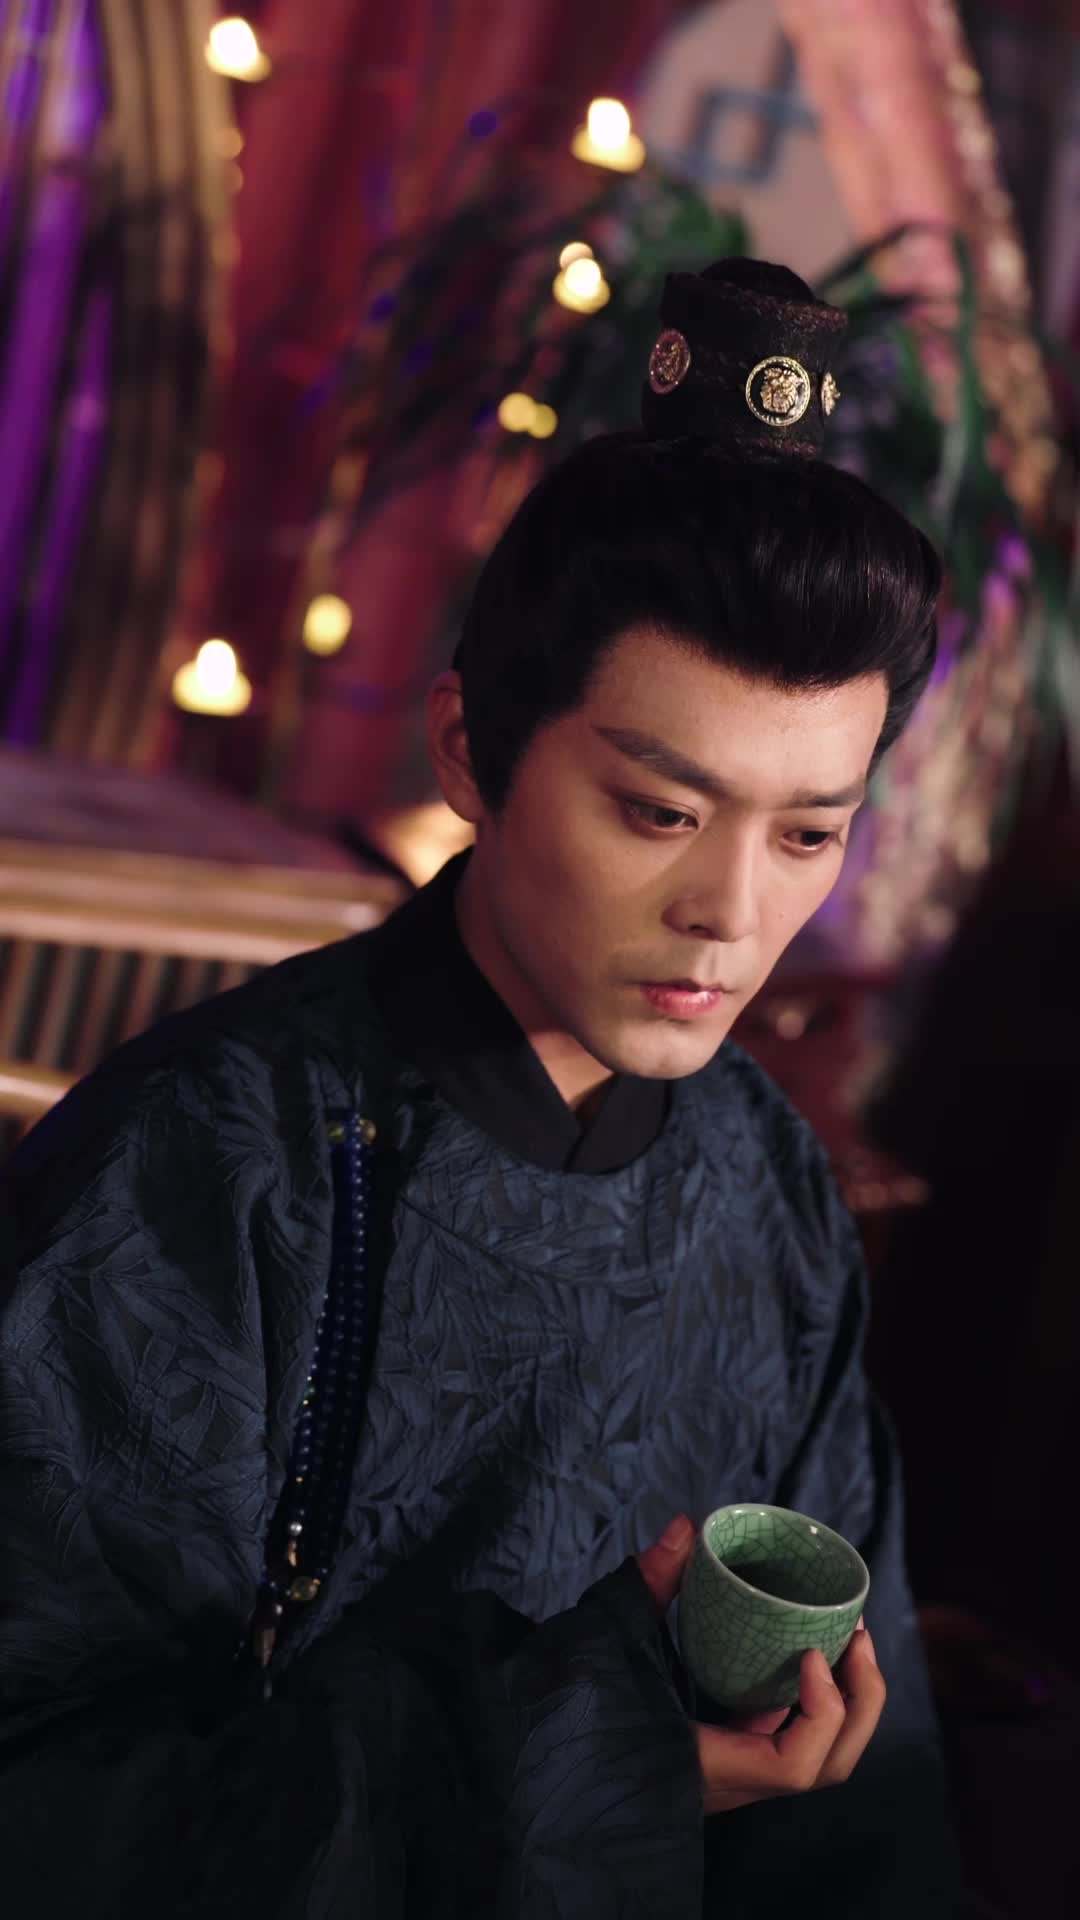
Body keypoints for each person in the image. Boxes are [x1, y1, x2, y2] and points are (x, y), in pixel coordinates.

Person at [0, 260, 961, 1917]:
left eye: (810, 833)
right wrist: (601, 1755)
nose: (732, 914)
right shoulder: (205, 1168)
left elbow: (868, 1807)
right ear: (468, 747)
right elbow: (44, 1805)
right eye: (659, 812)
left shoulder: (772, 1191)